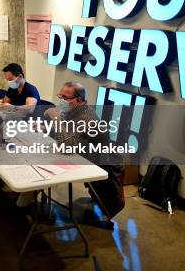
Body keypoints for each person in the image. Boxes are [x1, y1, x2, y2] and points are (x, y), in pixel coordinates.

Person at [45, 82, 125, 221]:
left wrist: (56, 118)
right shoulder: (71, 110)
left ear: (79, 100)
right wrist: (44, 128)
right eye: (60, 96)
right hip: (84, 155)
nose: (61, 100)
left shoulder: (86, 117)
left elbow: (65, 144)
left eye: (65, 97)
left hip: (103, 163)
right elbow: (64, 133)